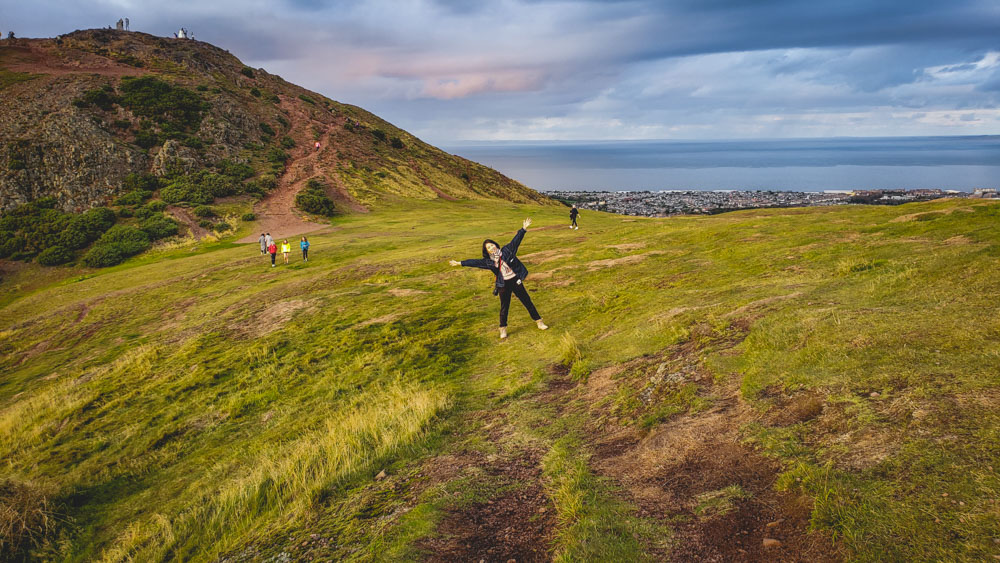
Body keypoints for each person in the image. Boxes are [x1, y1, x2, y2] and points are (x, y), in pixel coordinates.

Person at [450, 218, 548, 339]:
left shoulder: (507, 250)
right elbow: (475, 262)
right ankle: (503, 329)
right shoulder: (489, 262)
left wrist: (523, 229)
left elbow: (516, 241)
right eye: (488, 248)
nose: (491, 248)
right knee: (504, 307)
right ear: (487, 251)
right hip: (503, 284)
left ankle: (539, 322)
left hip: (515, 281)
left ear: (496, 245)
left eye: (492, 245)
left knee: (527, 301)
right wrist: (460, 263)